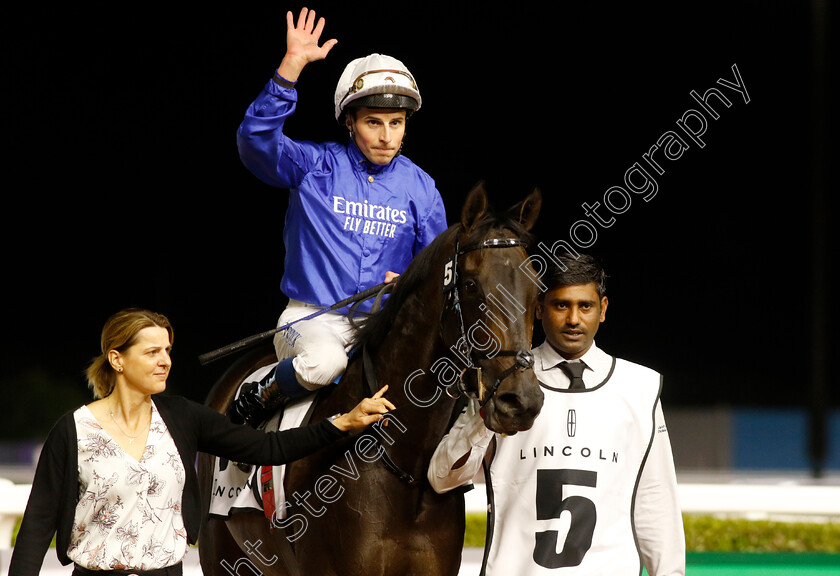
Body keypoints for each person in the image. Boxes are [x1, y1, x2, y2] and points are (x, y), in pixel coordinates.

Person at [9, 308, 394, 576]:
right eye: (152, 352)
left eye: (168, 351)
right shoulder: (72, 429)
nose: (165, 361)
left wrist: (341, 422)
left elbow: (269, 449)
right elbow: (37, 525)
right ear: (117, 359)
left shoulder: (183, 416)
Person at [230, 7, 448, 425]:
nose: (387, 136)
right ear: (349, 122)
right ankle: (255, 403)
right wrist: (291, 66)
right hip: (311, 320)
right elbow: (255, 142)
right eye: (373, 122)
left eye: (396, 123)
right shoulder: (314, 165)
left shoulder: (423, 188)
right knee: (325, 363)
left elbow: (437, 269)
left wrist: (412, 282)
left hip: (385, 327)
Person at [428, 255, 685, 575]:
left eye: (585, 306)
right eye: (561, 305)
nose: (574, 318)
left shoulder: (640, 387)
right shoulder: (502, 382)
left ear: (603, 309)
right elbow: (442, 478)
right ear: (538, 308)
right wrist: (483, 417)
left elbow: (655, 501)